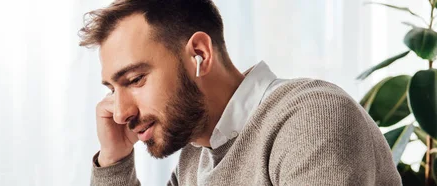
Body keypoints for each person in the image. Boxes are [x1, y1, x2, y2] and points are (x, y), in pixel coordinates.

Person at [78, 0, 401, 185]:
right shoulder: (195, 159)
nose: (120, 113)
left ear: (200, 55)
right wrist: (114, 161)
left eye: (135, 80)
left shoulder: (312, 119)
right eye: (111, 88)